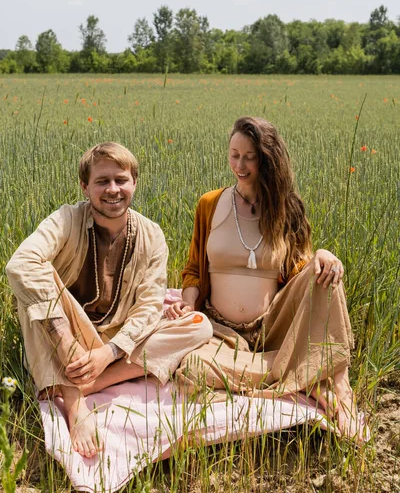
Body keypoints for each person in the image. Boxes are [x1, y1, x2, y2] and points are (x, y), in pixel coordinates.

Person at [166, 116, 368, 442]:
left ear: (267, 159)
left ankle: (339, 387)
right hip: (220, 332)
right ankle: (300, 378)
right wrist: (188, 306)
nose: (240, 165)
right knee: (193, 368)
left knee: (328, 273)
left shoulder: (286, 210)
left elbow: (299, 272)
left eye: (250, 156)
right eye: (234, 155)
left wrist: (322, 254)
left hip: (272, 328)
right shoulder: (210, 204)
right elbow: (193, 269)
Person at [6, 142, 212, 459]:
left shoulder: (151, 234)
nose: (113, 189)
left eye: (121, 180)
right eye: (102, 181)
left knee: (198, 327)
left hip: (114, 341)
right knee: (33, 286)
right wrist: (66, 344)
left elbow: (147, 306)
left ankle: (87, 385)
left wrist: (108, 352)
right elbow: (19, 264)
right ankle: (75, 404)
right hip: (63, 337)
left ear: (134, 183)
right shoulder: (66, 220)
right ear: (85, 186)